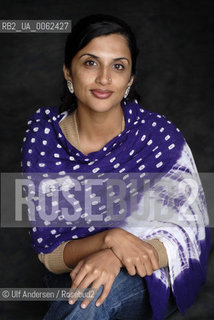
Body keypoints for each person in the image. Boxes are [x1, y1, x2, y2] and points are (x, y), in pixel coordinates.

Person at [21, 14, 210, 320]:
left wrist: (114, 255)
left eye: (118, 66)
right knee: (84, 296)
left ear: (130, 80)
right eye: (90, 63)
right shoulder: (45, 135)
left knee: (91, 299)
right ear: (68, 72)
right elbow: (51, 255)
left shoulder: (156, 136)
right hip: (70, 273)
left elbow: (189, 230)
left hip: (151, 273)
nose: (105, 78)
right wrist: (110, 238)